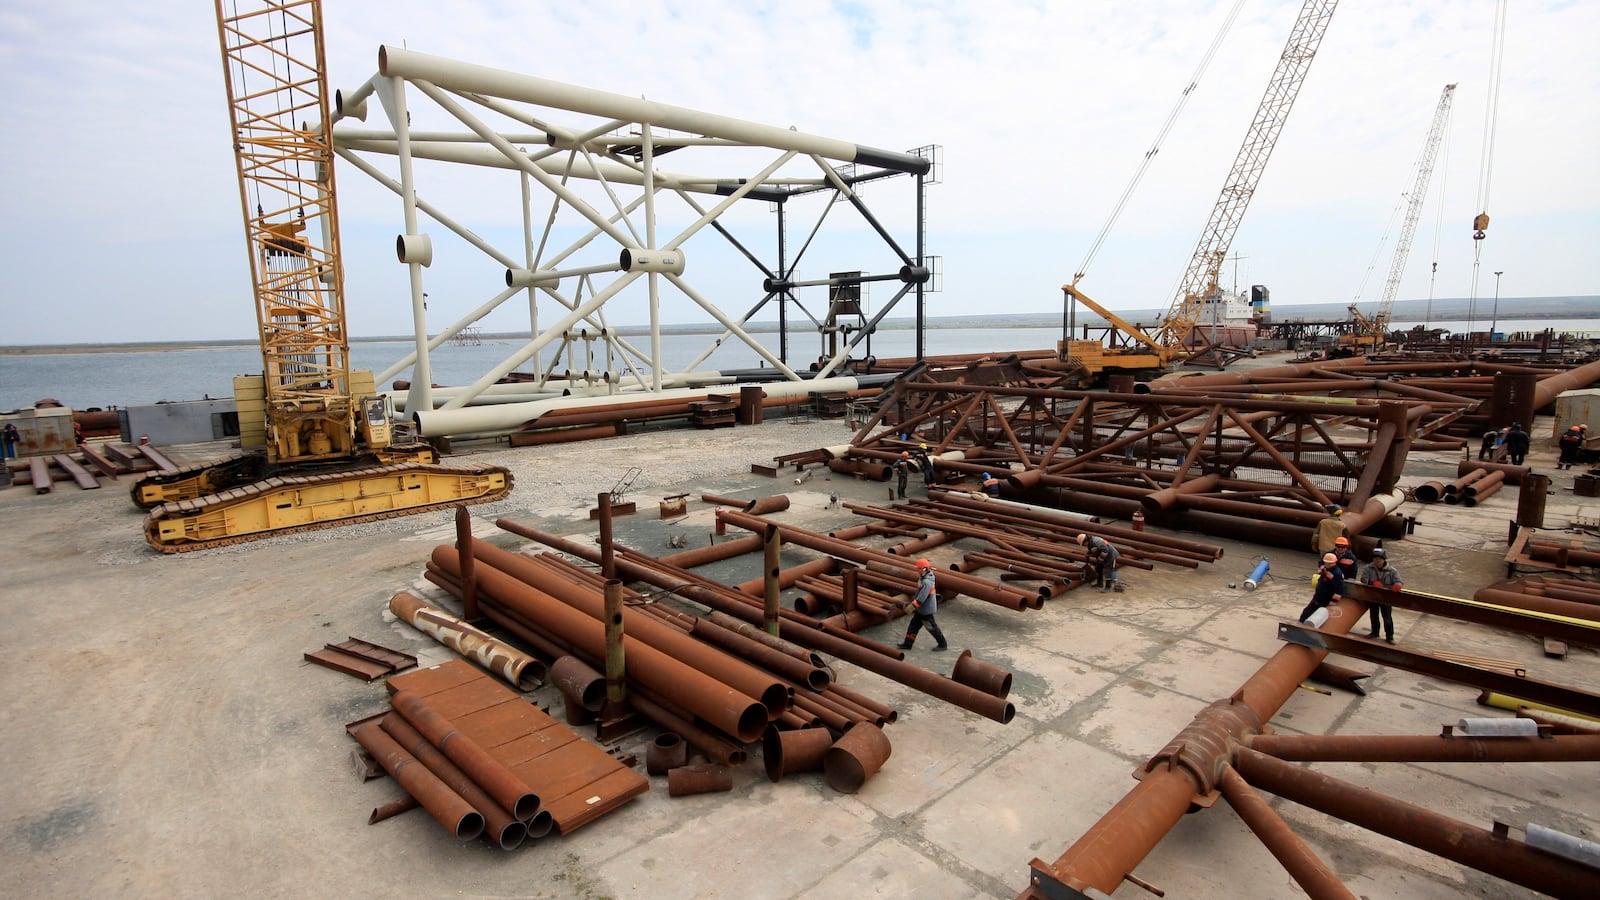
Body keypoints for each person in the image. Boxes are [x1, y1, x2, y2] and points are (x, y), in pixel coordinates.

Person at [896, 558, 948, 651]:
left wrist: (912, 607)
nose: (917, 570)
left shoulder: (927, 582)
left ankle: (942, 644)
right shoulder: (924, 576)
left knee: (931, 627)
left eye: (918, 569)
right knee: (913, 626)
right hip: (921, 609)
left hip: (926, 610)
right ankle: (907, 644)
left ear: (923, 569)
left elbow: (922, 597)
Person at [1359, 547, 1403, 644]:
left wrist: (1397, 586)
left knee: (1387, 617)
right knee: (1374, 615)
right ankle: (1374, 632)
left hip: (1386, 598)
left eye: (1379, 559)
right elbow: (1363, 579)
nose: (1376, 561)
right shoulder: (1368, 568)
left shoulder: (1392, 571)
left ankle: (1390, 636)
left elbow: (1399, 581)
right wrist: (1372, 582)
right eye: (1375, 559)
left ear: (1384, 559)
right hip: (1373, 596)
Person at [1298, 552, 1345, 625]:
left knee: (1318, 615)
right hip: (1319, 596)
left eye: (1329, 563)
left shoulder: (1336, 573)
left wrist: (1334, 601)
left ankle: (1305, 624)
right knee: (1307, 611)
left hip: (1326, 598)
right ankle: (1301, 622)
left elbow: (1339, 589)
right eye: (1326, 563)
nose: (1327, 565)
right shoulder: (1326, 569)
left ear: (1334, 563)